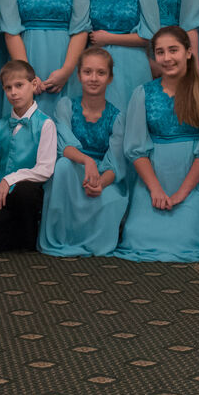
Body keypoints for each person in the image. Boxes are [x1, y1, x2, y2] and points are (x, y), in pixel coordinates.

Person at [114, 27, 199, 262]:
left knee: (187, 238)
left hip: (195, 182)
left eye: (173, 50)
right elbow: (135, 149)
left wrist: (182, 193)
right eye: (160, 52)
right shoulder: (142, 93)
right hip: (153, 180)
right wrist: (155, 189)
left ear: (188, 52)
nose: (167, 58)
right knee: (137, 237)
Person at [39, 47, 130, 258]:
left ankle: (91, 239)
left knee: (110, 201)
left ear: (110, 78)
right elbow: (65, 147)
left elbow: (115, 162)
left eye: (101, 73)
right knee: (62, 166)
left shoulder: (117, 117)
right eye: (88, 72)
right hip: (73, 170)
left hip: (103, 176)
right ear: (79, 75)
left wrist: (100, 183)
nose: (94, 78)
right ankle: (61, 238)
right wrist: (87, 161)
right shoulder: (66, 106)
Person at [75, 0, 157, 112]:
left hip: (133, 64)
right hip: (95, 64)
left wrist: (109, 38)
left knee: (131, 115)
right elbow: (80, 28)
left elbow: (150, 35)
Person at [0, 60, 56, 253]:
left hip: (28, 195)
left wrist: (10, 179)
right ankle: (12, 233)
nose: (13, 92)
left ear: (34, 84)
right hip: (1, 197)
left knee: (24, 192)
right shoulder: (0, 125)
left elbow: (45, 169)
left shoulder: (46, 124)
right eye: (8, 88)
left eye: (19, 85)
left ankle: (28, 235)